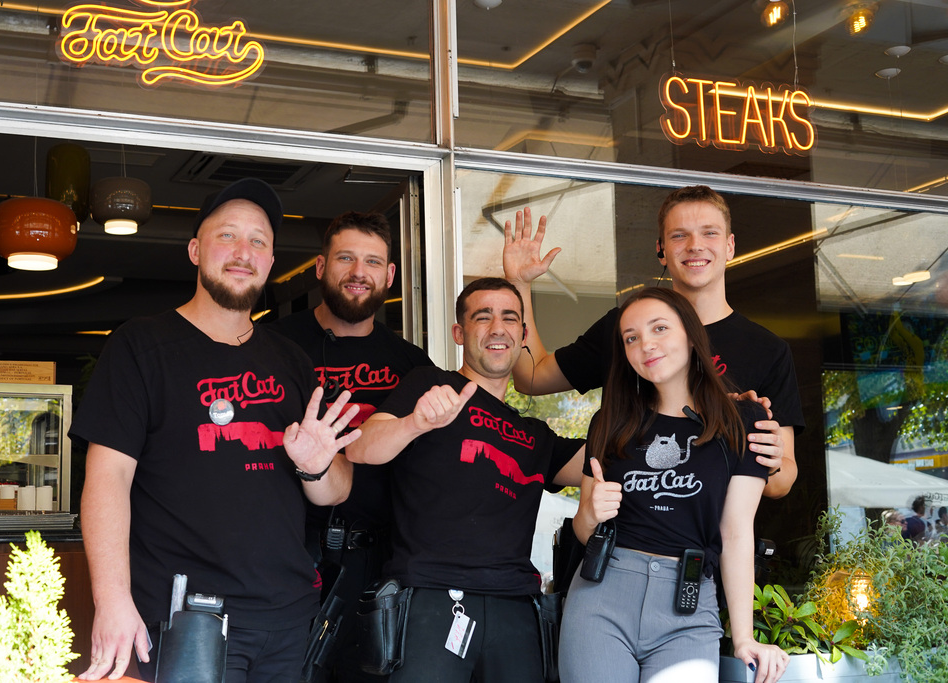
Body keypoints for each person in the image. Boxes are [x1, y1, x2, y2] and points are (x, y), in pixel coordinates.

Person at [72, 178, 362, 683]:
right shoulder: (140, 347)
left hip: (289, 618)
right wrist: (112, 599)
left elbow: (337, 488)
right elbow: (107, 479)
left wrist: (315, 466)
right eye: (227, 235)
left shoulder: (292, 361)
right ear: (195, 250)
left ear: (270, 263)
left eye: (258, 241)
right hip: (188, 619)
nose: (243, 252)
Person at [345, 277, 602, 683]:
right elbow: (360, 449)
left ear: (523, 336)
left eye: (509, 318)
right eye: (483, 317)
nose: (498, 328)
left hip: (517, 609)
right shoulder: (431, 387)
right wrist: (415, 423)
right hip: (433, 597)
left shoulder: (536, 436)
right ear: (459, 333)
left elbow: (608, 461)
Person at [503, 185, 803, 499]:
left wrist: (766, 456)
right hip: (625, 522)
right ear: (661, 249)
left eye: (709, 233)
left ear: (730, 246)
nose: (695, 245)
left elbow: (782, 482)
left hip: (712, 528)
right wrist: (519, 284)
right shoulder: (626, 327)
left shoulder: (768, 350)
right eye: (679, 235)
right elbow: (531, 376)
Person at [559, 287, 789, 683]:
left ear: (691, 335)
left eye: (659, 328)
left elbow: (736, 533)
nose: (645, 344)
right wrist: (592, 513)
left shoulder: (742, 421)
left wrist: (744, 637)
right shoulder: (610, 421)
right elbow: (584, 530)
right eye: (631, 338)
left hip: (688, 607)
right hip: (601, 597)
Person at [270, 210, 433, 682]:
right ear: (321, 267)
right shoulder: (274, 345)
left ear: (390, 275)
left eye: (372, 262)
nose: (359, 272)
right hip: (289, 555)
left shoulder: (411, 364)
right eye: (346, 258)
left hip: (379, 564)